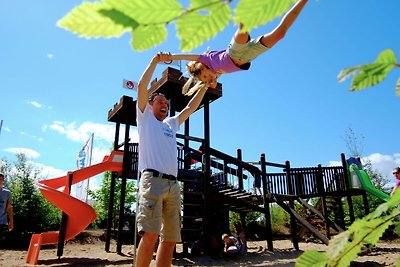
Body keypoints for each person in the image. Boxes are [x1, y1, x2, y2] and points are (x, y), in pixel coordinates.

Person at [135, 52, 209, 267]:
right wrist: (155, 61)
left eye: (165, 103)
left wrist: (205, 83)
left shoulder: (171, 124)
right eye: (159, 101)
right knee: (150, 235)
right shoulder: (145, 118)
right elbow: (142, 86)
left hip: (173, 186)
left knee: (170, 240)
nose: (164, 104)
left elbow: (190, 108)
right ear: (150, 106)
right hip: (152, 182)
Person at [161, 0, 308, 95]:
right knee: (280, 34)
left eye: (205, 75)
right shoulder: (216, 75)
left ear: (202, 66)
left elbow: (185, 56)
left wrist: (171, 57)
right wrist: (207, 83)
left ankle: (244, 11)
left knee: (243, 30)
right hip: (249, 56)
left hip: (233, 52)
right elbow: (212, 85)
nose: (209, 77)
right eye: (206, 79)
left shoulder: (204, 58)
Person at [0, 172, 14, 242]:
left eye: (1, 179)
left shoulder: (7, 193)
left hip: (2, 222)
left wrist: (11, 221)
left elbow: (9, 207)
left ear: (3, 181)